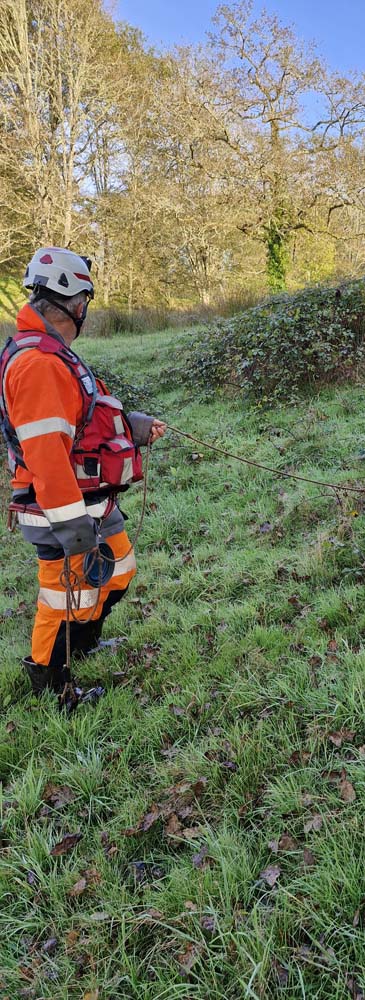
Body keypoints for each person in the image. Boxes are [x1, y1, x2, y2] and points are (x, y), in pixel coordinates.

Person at [0, 247, 166, 708]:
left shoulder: (54, 354)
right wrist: (75, 532)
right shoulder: (39, 365)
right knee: (62, 598)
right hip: (58, 508)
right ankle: (51, 680)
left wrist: (128, 426)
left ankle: (85, 642)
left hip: (90, 500)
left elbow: (80, 421)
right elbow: (48, 457)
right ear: (78, 302)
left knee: (119, 569)